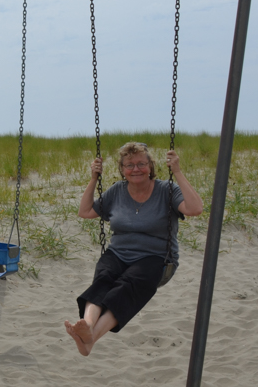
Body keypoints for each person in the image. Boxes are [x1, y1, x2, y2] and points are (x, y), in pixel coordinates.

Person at [64, 142, 204, 356]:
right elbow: (85, 211)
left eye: (141, 164)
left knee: (128, 285)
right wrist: (94, 178)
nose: (135, 169)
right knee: (104, 277)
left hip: (156, 258)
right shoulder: (117, 191)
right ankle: (88, 326)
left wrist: (177, 171)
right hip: (119, 253)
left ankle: (92, 336)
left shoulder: (166, 190)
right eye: (129, 165)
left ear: (151, 166)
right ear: (122, 169)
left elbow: (195, 209)